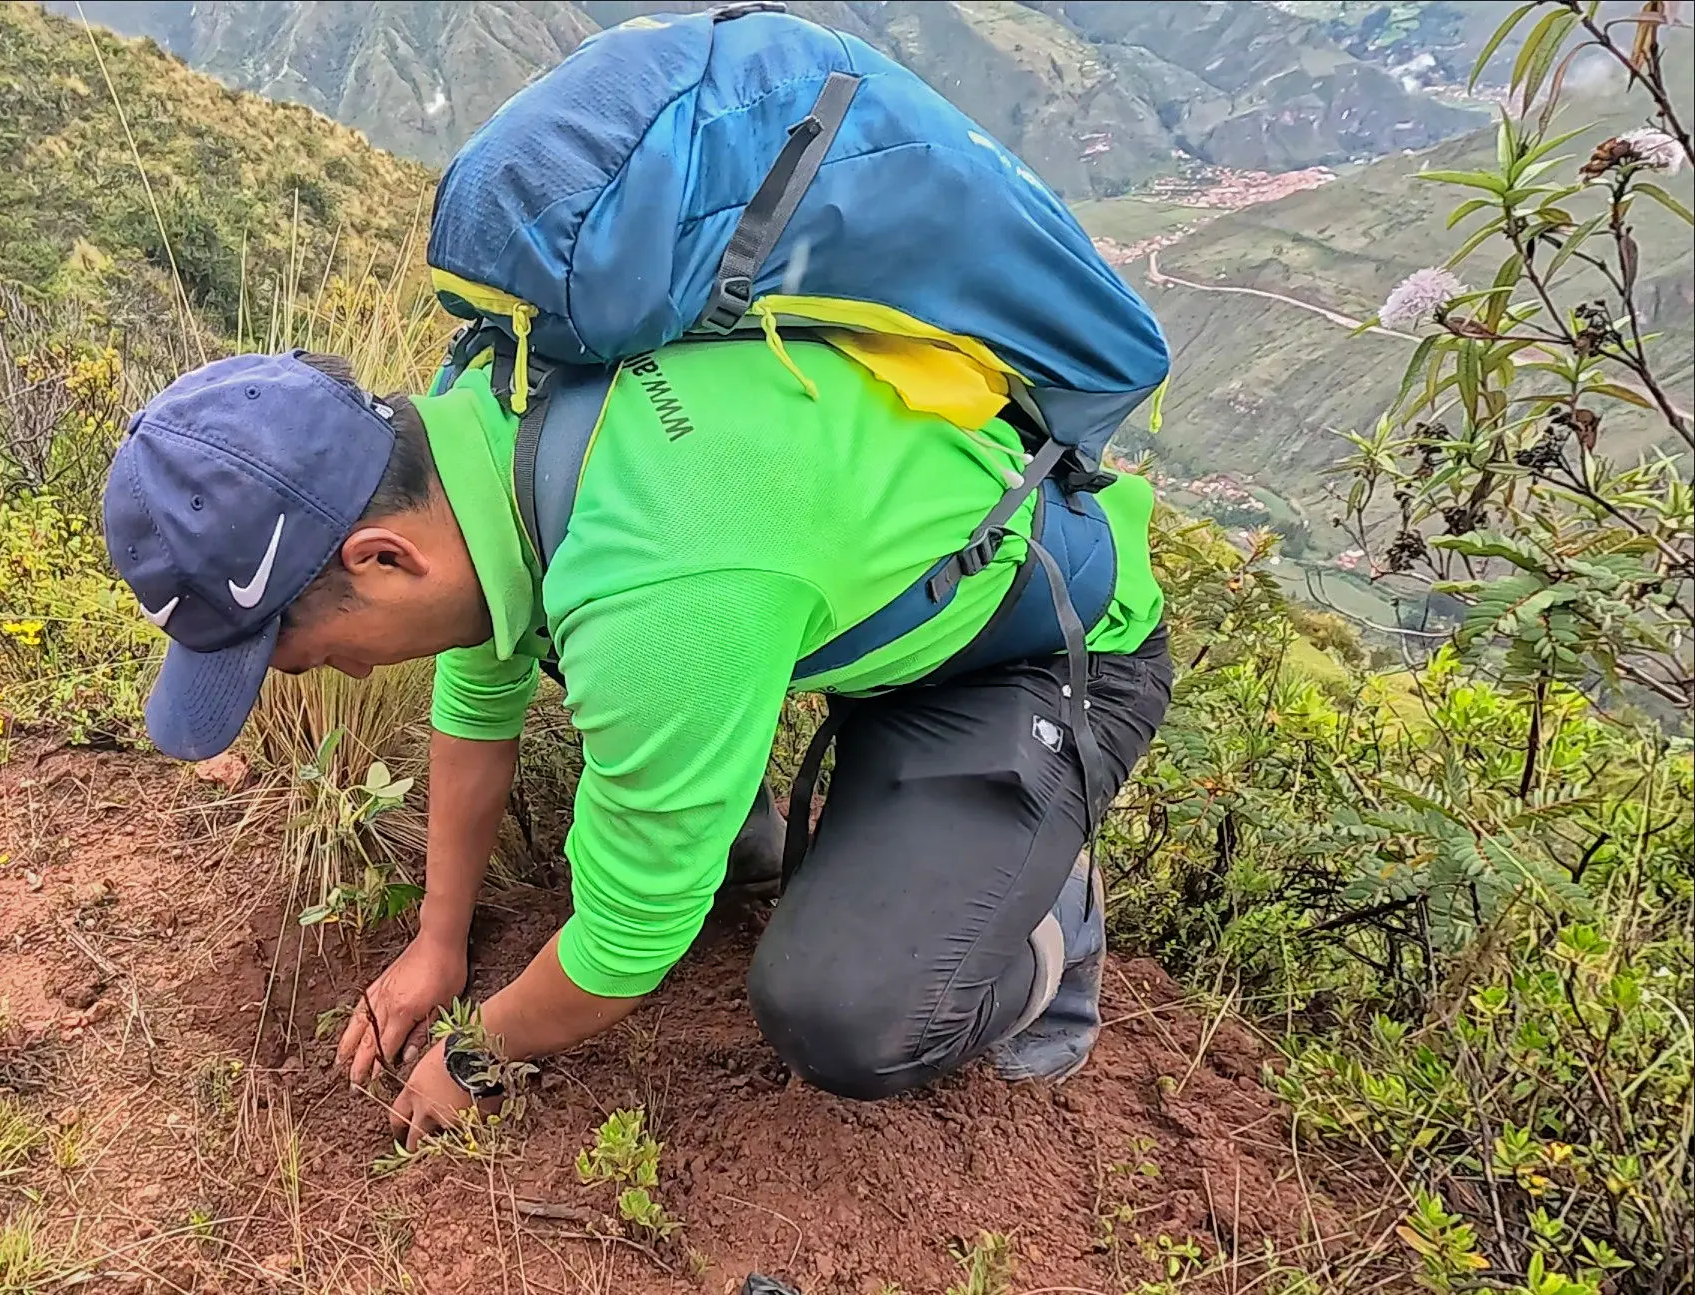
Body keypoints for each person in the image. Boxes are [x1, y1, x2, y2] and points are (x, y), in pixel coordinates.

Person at [100, 337, 1171, 1144]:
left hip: (1032, 656)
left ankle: (1039, 915)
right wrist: (438, 937)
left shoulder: (649, 593)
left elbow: (623, 949)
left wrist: (473, 1055)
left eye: (321, 652)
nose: (352, 674)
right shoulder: (484, 408)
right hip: (831, 604)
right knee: (697, 788)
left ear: (381, 557)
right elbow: (484, 683)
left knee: (846, 1014)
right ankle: (771, 828)